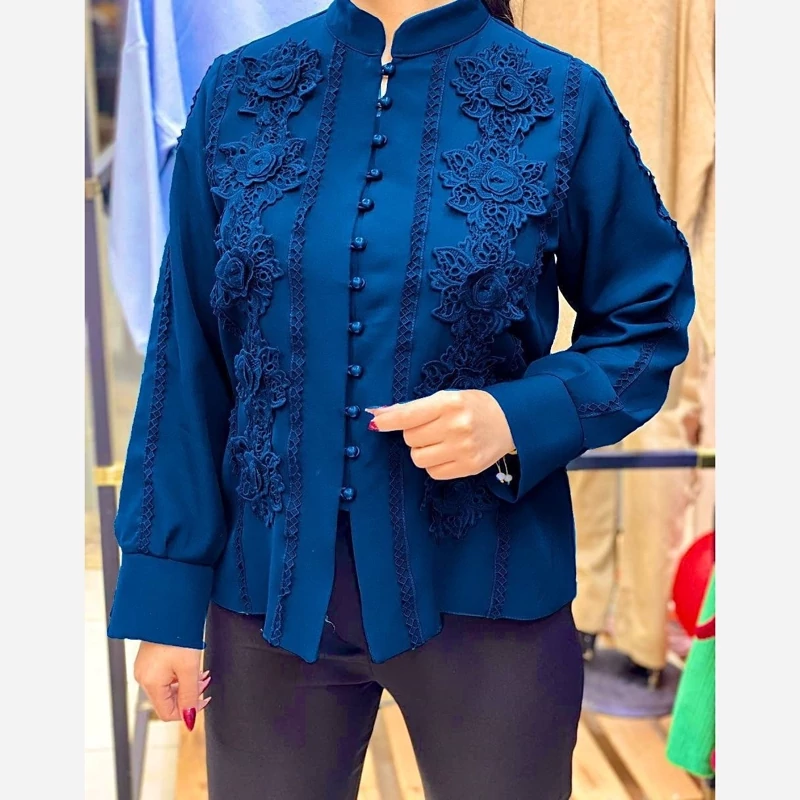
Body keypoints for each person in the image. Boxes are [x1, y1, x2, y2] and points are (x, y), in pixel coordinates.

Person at [107, 0, 694, 797]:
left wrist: (515, 418)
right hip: (266, 600)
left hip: (490, 593)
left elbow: (646, 317)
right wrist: (164, 597)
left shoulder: (559, 99)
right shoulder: (239, 90)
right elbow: (188, 357)